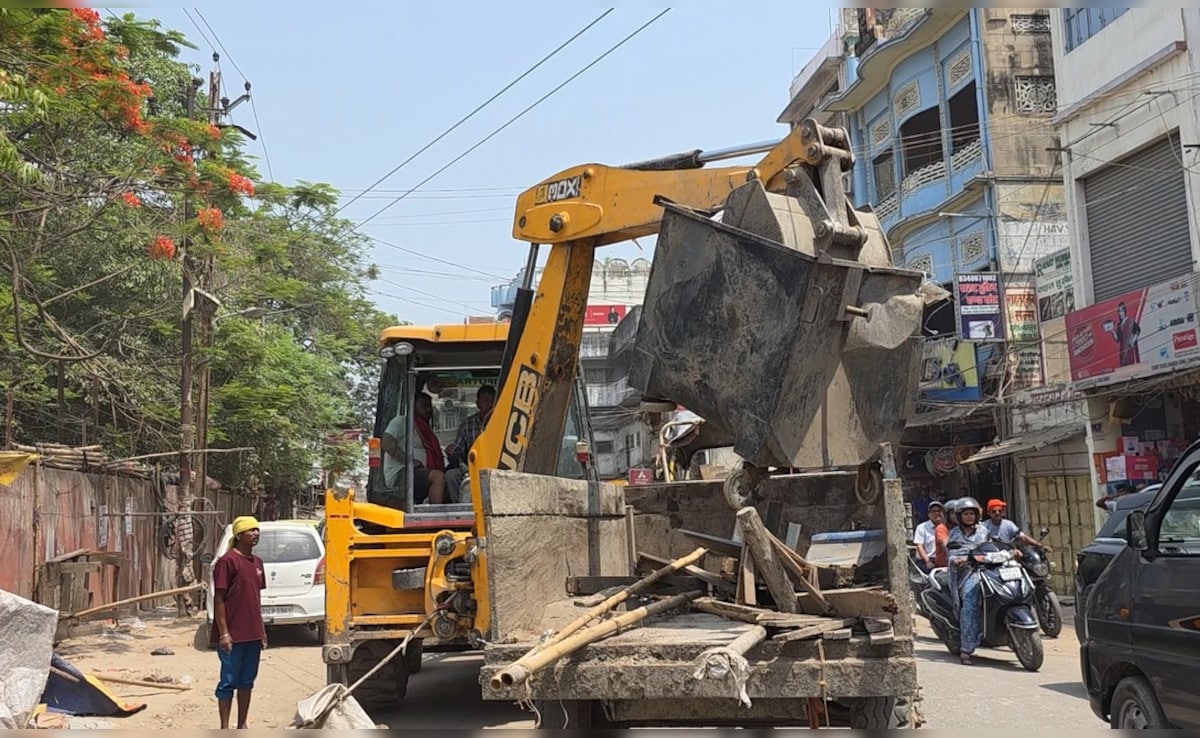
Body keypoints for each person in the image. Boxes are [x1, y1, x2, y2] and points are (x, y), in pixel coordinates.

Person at [210, 516, 267, 729]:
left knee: (247, 682)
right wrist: (224, 633)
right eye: (251, 530)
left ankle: (242, 724)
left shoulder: (258, 563)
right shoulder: (227, 562)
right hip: (233, 635)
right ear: (239, 534)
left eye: (257, 530)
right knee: (228, 682)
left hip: (253, 634)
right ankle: (224, 727)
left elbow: (255, 600)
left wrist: (261, 631)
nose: (255, 534)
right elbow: (219, 599)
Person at [947, 497, 991, 666]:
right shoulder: (955, 534)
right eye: (965, 514)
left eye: (972, 513)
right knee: (970, 601)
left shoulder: (984, 531)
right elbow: (952, 554)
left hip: (988, 569)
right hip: (966, 573)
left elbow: (993, 547)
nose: (969, 517)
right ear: (959, 516)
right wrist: (959, 560)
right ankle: (966, 648)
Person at [381, 394, 447, 505]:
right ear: (413, 407)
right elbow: (386, 443)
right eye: (423, 406)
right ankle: (434, 515)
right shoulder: (402, 421)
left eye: (429, 407)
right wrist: (410, 462)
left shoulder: (424, 430)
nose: (428, 410)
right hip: (401, 473)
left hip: (417, 472)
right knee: (438, 477)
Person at [444, 385, 496, 502]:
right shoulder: (468, 424)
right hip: (472, 468)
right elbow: (458, 449)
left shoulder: (502, 422)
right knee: (451, 475)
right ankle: (460, 509)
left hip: (498, 466)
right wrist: (451, 451)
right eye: (485, 401)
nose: (489, 405)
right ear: (478, 403)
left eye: (492, 401)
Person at [913, 500, 945, 572]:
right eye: (934, 511)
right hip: (927, 561)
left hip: (943, 562)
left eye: (939, 511)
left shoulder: (946, 528)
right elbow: (919, 546)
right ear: (929, 514)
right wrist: (928, 561)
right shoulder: (922, 527)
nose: (937, 513)